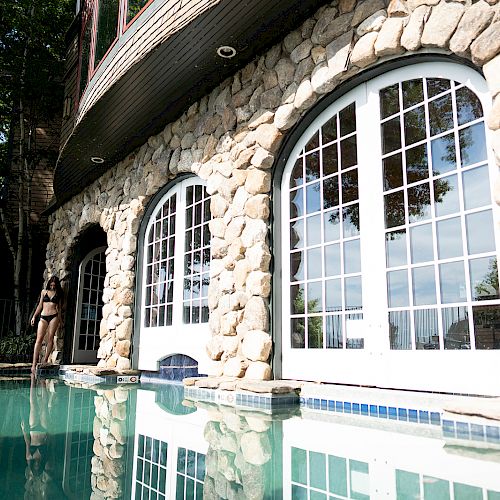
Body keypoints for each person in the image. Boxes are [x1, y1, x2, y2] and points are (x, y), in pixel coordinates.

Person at [30, 276, 63, 373]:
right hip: (43, 317)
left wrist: (60, 320)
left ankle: (45, 360)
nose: (52, 286)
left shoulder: (58, 293)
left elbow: (59, 308)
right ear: (49, 284)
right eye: (51, 285)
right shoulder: (44, 292)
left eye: (54, 285)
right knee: (39, 339)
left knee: (50, 338)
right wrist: (34, 317)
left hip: (54, 316)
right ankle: (34, 363)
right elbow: (40, 305)